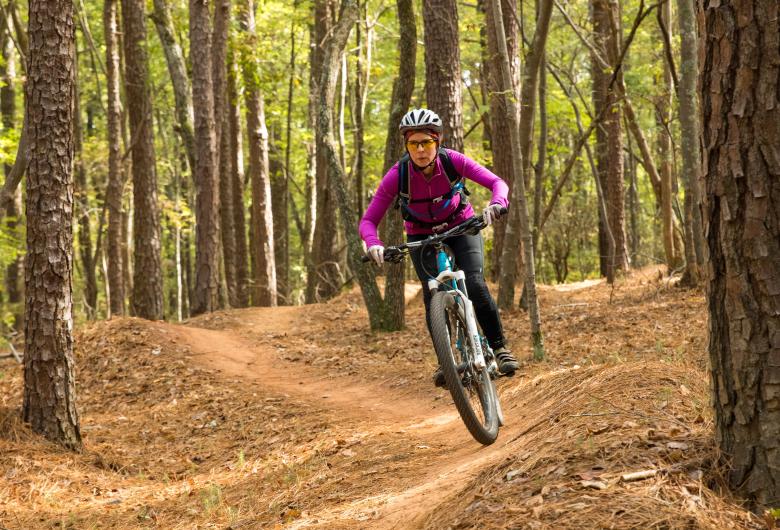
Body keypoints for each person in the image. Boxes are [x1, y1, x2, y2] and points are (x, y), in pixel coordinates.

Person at [359, 108, 519, 387]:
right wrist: (373, 244)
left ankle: (500, 347)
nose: (420, 150)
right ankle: (445, 360)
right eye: (413, 144)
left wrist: (497, 202)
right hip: (420, 236)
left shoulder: (452, 161)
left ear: (437, 141)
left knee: (476, 284)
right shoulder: (398, 175)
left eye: (426, 142)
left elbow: (497, 183)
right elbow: (369, 220)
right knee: (432, 299)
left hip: (461, 227)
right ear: (406, 145)